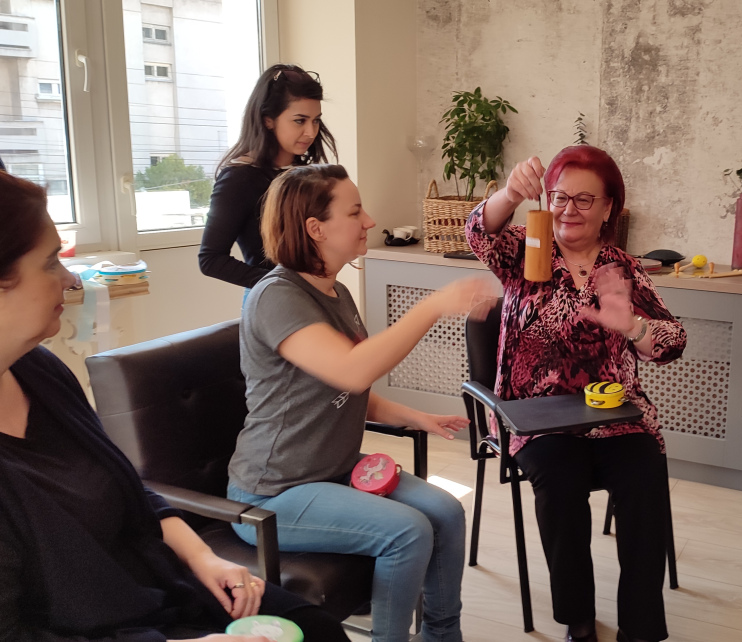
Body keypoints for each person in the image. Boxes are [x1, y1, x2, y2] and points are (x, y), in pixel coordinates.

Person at [0, 170, 350, 641]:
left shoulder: (39, 371)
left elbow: (131, 492)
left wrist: (203, 558)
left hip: (162, 583)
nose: (70, 278)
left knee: (317, 628)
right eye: (49, 263)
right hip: (108, 628)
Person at [227, 164, 498, 642]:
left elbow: (348, 389)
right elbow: (354, 369)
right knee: (409, 531)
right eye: (354, 212)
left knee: (447, 513)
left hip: (333, 470)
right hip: (274, 493)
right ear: (316, 228)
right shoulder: (275, 297)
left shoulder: (336, 292)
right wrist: (435, 304)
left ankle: (442, 636)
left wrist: (416, 417)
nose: (369, 221)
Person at [466, 145, 687, 642]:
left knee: (644, 475)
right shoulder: (527, 247)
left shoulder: (623, 267)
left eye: (584, 200)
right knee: (561, 482)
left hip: (615, 416)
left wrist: (633, 327)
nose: (569, 209)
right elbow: (478, 232)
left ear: (609, 208)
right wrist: (509, 194)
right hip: (537, 417)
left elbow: (673, 340)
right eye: (560, 197)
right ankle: (578, 620)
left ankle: (641, 627)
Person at [199, 64, 335, 290]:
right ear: (268, 120)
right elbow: (210, 260)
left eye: (316, 120)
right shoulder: (239, 178)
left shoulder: (307, 173)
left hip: (315, 293)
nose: (311, 132)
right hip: (274, 298)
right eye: (300, 120)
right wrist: (283, 285)